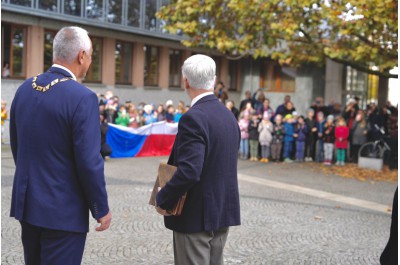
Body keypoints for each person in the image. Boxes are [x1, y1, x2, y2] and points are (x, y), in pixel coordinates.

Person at [9, 26, 111, 264]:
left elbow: (18, 146)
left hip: (28, 205)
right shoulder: (82, 97)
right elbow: (89, 161)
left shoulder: (25, 88)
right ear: (81, 56)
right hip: (63, 212)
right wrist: (100, 208)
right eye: (91, 55)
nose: (90, 61)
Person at [155, 54, 241, 265]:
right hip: (220, 210)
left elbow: (190, 170)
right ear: (212, 79)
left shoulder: (194, 117)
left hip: (195, 214)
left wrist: (163, 196)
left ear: (186, 81)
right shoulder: (228, 115)